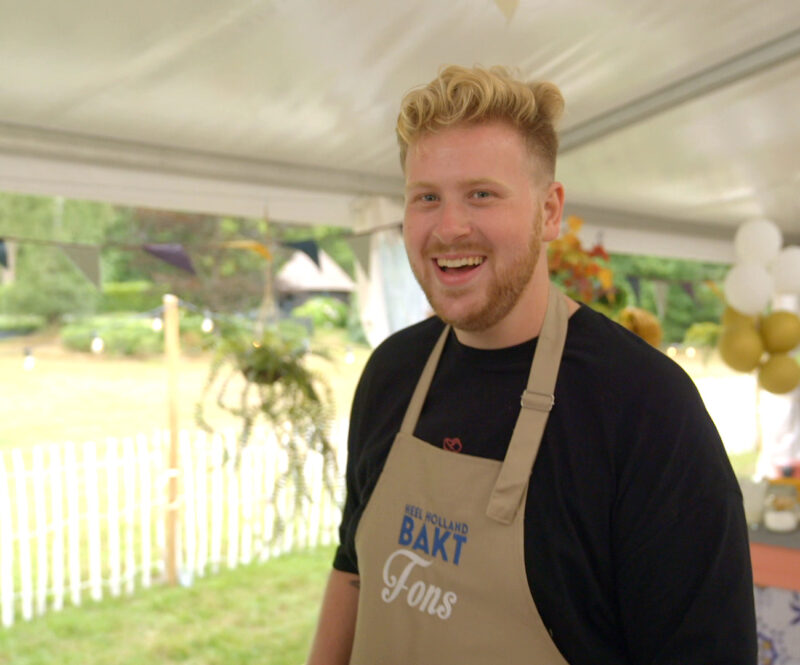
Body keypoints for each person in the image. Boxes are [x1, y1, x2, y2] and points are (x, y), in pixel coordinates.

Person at [307, 65, 756, 664]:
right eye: (426, 198)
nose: (449, 227)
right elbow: (355, 572)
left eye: (482, 194)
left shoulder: (646, 408)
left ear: (550, 211)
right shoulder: (392, 372)